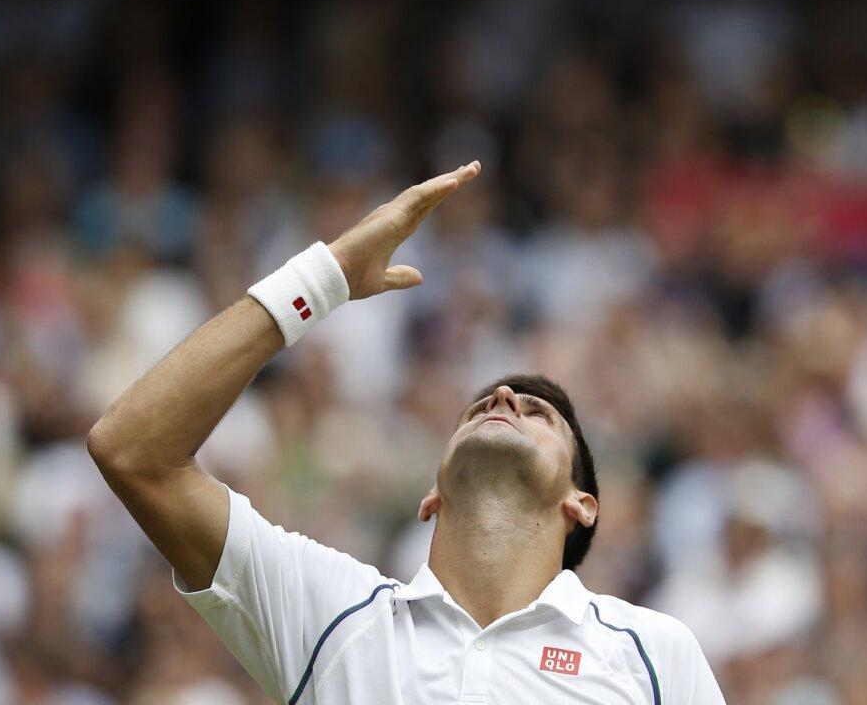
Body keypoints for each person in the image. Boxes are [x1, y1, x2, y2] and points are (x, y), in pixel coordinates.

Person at [88, 161, 726, 704]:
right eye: (478, 410)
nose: (505, 397)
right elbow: (132, 450)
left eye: (541, 414)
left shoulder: (653, 654)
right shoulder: (337, 618)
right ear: (432, 497)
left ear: (580, 505)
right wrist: (325, 278)